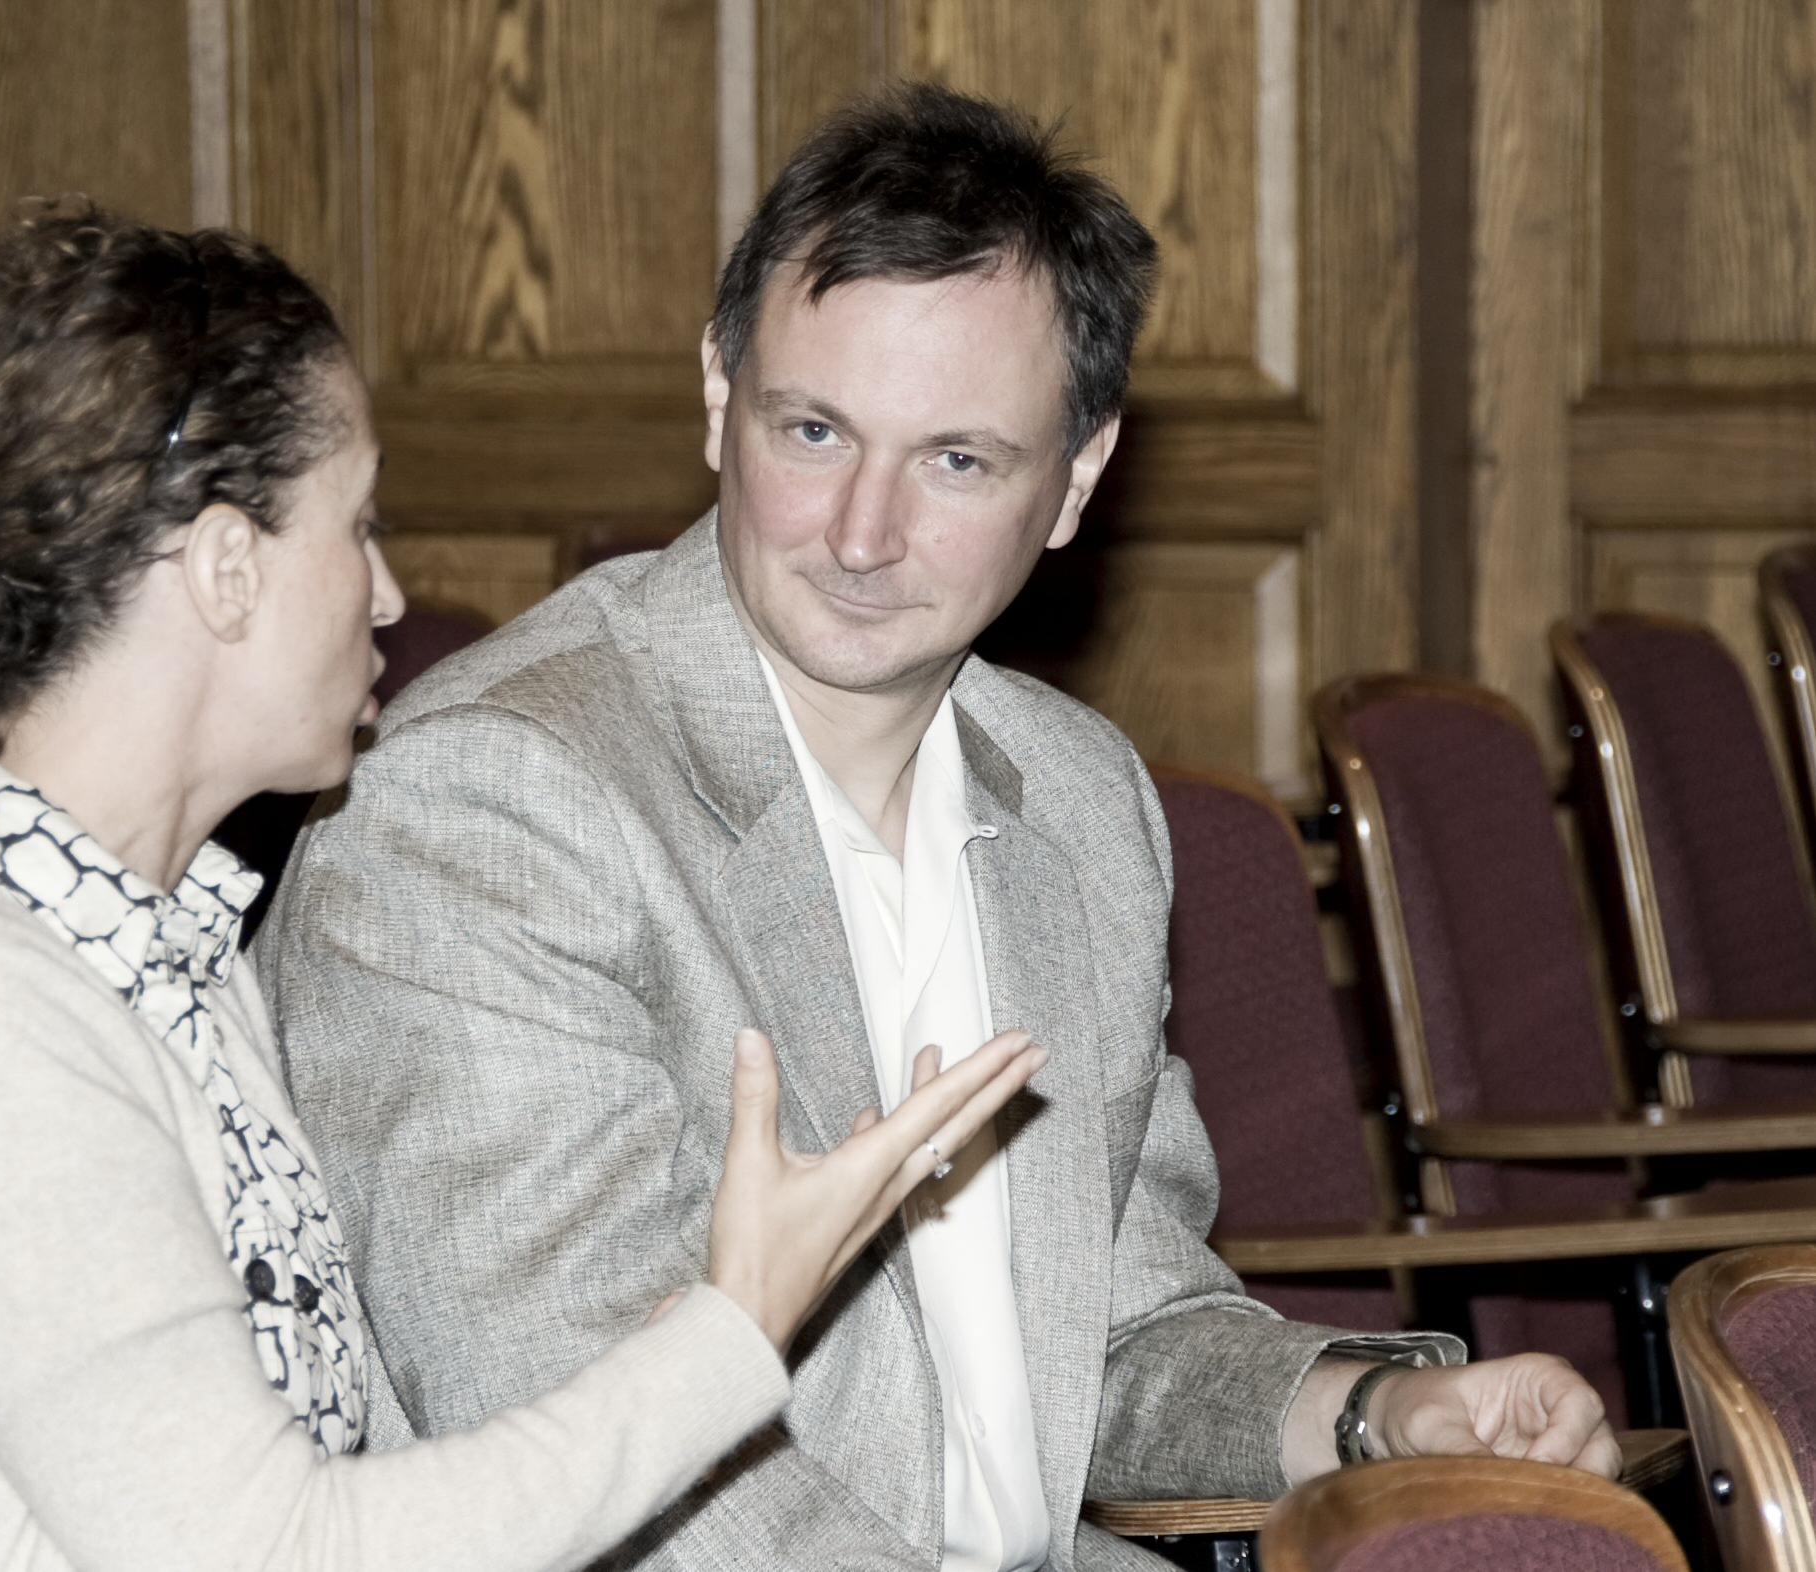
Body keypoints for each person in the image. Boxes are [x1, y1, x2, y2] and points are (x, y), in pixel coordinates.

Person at [258, 83, 1620, 1572]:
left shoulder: (1079, 799)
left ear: (1075, 480)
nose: (861, 533)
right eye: (813, 431)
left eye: (956, 461)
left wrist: (1375, 1415)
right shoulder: (494, 806)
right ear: (718, 396)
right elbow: (576, 1443)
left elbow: (1112, 1338)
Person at [0, 203, 1049, 1572]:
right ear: (227, 568)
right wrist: (735, 1326)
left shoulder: (161, 951)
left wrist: (690, 1341)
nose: (390, 595)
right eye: (356, 526)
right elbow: (271, 1553)